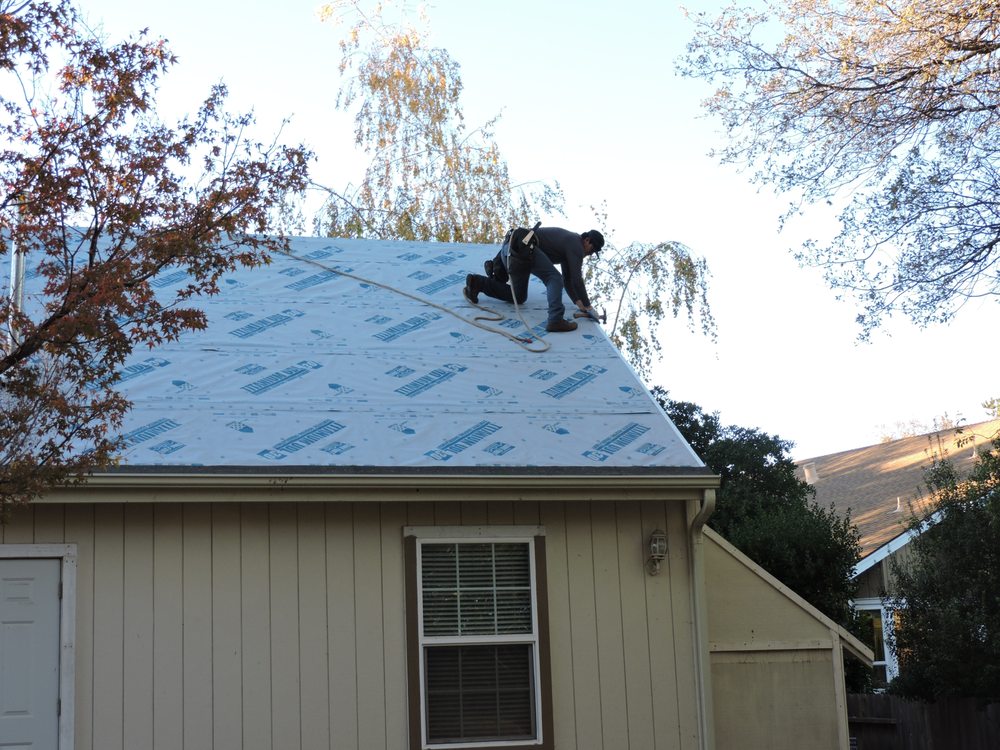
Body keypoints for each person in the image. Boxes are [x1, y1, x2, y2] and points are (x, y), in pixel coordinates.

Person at [463, 226, 604, 332]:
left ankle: (477, 283)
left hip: (510, 250)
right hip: (522, 249)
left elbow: (569, 279)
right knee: (554, 278)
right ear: (587, 240)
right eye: (592, 250)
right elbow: (577, 279)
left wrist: (579, 303)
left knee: (518, 296)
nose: (590, 254)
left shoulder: (569, 245)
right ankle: (555, 320)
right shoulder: (576, 244)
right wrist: (589, 306)